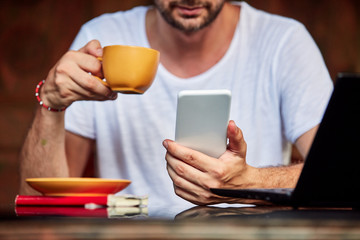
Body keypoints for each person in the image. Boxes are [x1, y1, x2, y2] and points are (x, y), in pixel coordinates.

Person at [19, 0, 333, 209]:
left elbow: (343, 176)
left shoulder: (283, 42)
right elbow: (44, 204)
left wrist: (250, 182)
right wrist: (50, 104)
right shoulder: (102, 38)